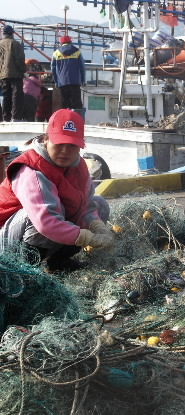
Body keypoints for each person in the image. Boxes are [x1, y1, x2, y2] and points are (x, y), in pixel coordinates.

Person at [0, 109, 113, 272]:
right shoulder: (31, 169)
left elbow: (86, 207)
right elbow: (45, 222)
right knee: (47, 214)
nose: (65, 151)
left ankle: (57, 262)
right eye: (59, 144)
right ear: (46, 139)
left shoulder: (79, 166)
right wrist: (86, 237)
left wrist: (97, 226)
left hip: (40, 232)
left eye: (72, 145)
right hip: (7, 240)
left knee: (99, 204)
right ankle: (26, 271)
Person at [51, 35, 86, 112]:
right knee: (77, 104)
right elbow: (82, 67)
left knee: (65, 104)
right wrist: (83, 80)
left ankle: (66, 121)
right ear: (70, 42)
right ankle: (77, 120)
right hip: (75, 82)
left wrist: (56, 82)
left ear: (61, 43)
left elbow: (53, 69)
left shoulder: (56, 53)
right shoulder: (77, 52)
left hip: (62, 83)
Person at [0, 25, 27, 122]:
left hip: (3, 75)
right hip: (15, 74)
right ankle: (16, 117)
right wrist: (23, 70)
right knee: (17, 95)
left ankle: (5, 117)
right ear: (12, 33)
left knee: (6, 96)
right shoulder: (15, 43)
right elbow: (19, 60)